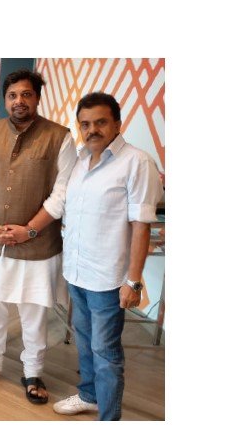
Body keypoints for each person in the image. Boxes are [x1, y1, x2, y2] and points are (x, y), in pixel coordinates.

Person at [0, 70, 76, 404]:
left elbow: (62, 193)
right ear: (5, 99)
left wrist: (30, 229)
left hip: (36, 246)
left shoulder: (60, 137)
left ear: (37, 98)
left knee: (34, 314)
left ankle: (33, 371)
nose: (19, 101)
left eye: (26, 94)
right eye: (12, 95)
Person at [52, 92, 163, 421]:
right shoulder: (79, 161)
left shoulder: (137, 162)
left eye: (100, 122)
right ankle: (90, 396)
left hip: (108, 278)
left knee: (106, 352)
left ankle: (109, 418)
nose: (92, 130)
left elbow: (141, 226)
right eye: (85, 124)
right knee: (85, 342)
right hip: (76, 271)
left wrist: (134, 280)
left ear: (117, 123)